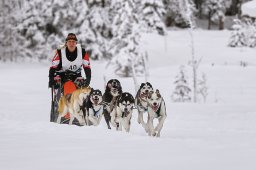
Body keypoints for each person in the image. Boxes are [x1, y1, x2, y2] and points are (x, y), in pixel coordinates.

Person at [48, 33, 91, 123]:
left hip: (76, 75)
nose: (71, 44)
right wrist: (51, 80)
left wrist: (88, 79)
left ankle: (81, 113)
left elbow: (87, 67)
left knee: (83, 92)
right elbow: (52, 67)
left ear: (76, 43)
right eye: (69, 42)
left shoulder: (82, 52)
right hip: (62, 74)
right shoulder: (60, 52)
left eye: (73, 42)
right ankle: (66, 114)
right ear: (66, 43)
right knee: (68, 87)